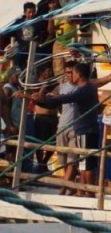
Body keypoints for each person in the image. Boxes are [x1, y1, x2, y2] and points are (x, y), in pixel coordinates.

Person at [32, 62, 103, 194]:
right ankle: (82, 192)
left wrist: (41, 100)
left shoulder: (83, 89)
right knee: (83, 164)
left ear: (79, 74)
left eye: (73, 73)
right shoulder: (88, 88)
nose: (71, 76)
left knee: (86, 165)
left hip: (84, 131)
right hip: (83, 131)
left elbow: (62, 99)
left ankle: (87, 193)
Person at [32, 64, 59, 168]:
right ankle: (40, 163)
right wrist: (44, 86)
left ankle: (44, 162)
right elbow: (36, 98)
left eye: (51, 71)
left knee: (53, 143)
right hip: (41, 118)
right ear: (42, 72)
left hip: (53, 118)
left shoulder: (55, 84)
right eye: (48, 71)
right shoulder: (36, 84)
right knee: (39, 142)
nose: (50, 73)